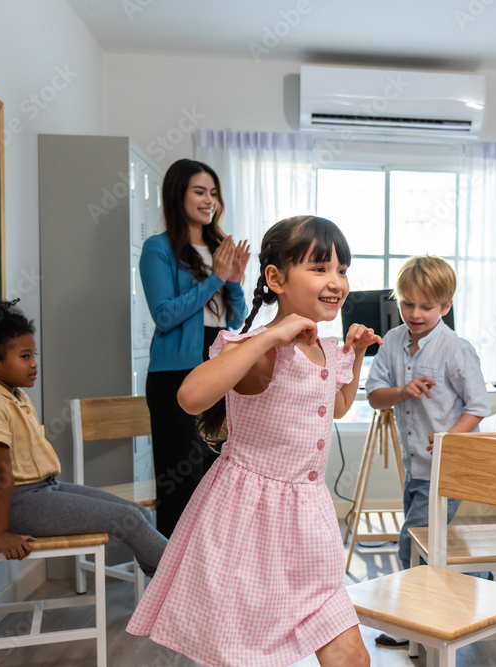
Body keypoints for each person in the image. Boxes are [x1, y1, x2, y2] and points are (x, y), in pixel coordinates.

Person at [127, 215, 376, 667]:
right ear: (276, 279)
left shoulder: (320, 346)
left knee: (351, 654)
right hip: (250, 520)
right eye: (319, 268)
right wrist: (267, 338)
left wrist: (354, 356)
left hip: (309, 520)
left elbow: (336, 405)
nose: (336, 281)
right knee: (244, 654)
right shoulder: (259, 348)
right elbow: (190, 396)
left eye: (342, 269)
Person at [0, 298, 167, 573]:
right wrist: (1, 533)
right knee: (127, 519)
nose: (34, 364)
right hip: (18, 505)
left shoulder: (14, 396)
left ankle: (166, 593)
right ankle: (192, 587)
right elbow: (1, 474)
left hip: (44, 489)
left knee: (137, 513)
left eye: (34, 355)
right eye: (25, 356)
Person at [365, 254, 491, 648]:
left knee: (411, 543)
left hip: (446, 468)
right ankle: (480, 582)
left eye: (426, 306)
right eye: (407, 303)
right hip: (416, 467)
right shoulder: (393, 344)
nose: (415, 313)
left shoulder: (455, 349)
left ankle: (414, 626)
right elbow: (373, 396)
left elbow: (478, 407)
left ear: (446, 306)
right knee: (424, 544)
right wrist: (403, 390)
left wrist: (451, 437)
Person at [140, 158, 250, 537]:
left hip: (218, 363)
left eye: (214, 193)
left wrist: (233, 280)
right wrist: (214, 278)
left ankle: (207, 574)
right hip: (174, 373)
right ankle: (170, 579)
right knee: (180, 480)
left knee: (216, 476)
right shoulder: (159, 249)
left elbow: (236, 321)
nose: (210, 201)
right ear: (177, 194)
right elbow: (165, 315)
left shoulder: (220, 247)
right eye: (200, 192)